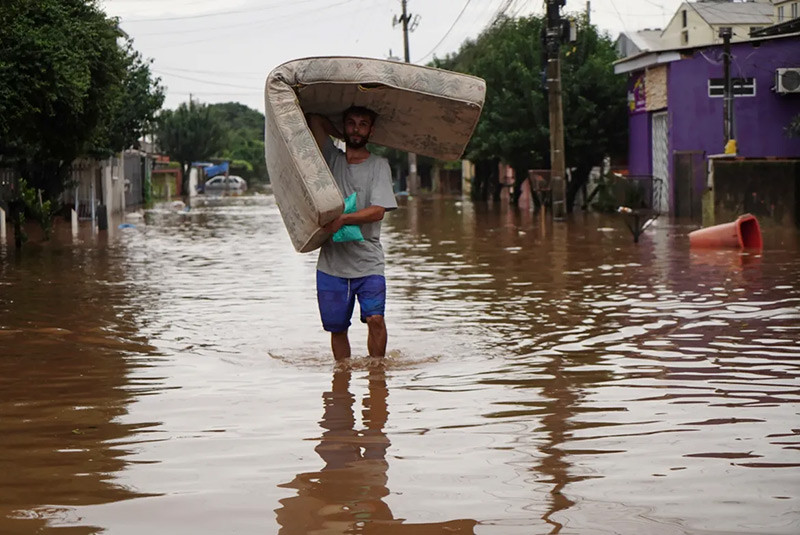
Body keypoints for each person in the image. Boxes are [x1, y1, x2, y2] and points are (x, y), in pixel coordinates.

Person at [306, 106, 398, 361]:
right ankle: (342, 380)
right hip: (332, 264)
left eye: (363, 125)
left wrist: (343, 218)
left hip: (368, 261)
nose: (357, 129)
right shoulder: (332, 159)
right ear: (344, 126)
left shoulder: (379, 165)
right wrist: (340, 133)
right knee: (337, 328)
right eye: (351, 124)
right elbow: (315, 117)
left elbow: (378, 211)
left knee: (376, 319)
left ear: (372, 130)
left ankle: (377, 376)